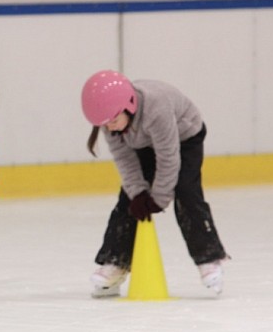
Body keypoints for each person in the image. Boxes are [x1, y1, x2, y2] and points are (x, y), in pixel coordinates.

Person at [80, 70, 228, 298]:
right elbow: (125, 161)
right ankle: (115, 262)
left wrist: (158, 198)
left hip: (185, 137)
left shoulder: (155, 109)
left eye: (114, 121)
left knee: (186, 191)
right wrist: (138, 193)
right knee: (128, 200)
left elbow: (168, 157)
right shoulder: (112, 120)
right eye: (105, 125)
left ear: (129, 106)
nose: (109, 128)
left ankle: (208, 258)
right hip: (145, 141)